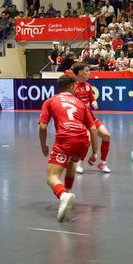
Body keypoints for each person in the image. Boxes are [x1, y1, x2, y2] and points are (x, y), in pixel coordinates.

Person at [38, 75, 98, 221]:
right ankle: (67, 191)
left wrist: (43, 145)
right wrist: (95, 152)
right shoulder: (80, 103)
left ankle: (63, 195)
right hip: (83, 140)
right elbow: (93, 128)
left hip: (65, 138)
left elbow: (43, 126)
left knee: (52, 177)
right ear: (72, 87)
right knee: (72, 161)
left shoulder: (50, 100)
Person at [71, 63, 111, 173]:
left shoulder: (88, 86)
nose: (89, 73)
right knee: (87, 140)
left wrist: (94, 102)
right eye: (87, 71)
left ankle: (103, 163)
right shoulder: (72, 87)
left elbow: (92, 99)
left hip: (90, 118)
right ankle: (80, 163)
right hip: (79, 120)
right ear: (80, 73)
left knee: (106, 136)